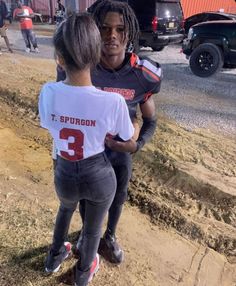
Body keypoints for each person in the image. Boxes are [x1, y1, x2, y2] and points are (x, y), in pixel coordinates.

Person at [57, 0, 162, 265]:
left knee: (118, 196)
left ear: (129, 32)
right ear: (93, 30)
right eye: (104, 28)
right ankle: (86, 231)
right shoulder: (80, 66)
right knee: (84, 196)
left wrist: (137, 146)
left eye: (119, 29)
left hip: (118, 153)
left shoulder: (143, 74)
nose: (112, 35)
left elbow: (150, 120)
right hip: (87, 152)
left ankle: (110, 236)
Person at [39, 13, 137, 286]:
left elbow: (49, 125)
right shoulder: (112, 102)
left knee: (65, 208)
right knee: (92, 230)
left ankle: (53, 258)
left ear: (59, 57)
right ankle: (83, 273)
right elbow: (127, 136)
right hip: (98, 175)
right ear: (96, 55)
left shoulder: (48, 92)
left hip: (64, 170)